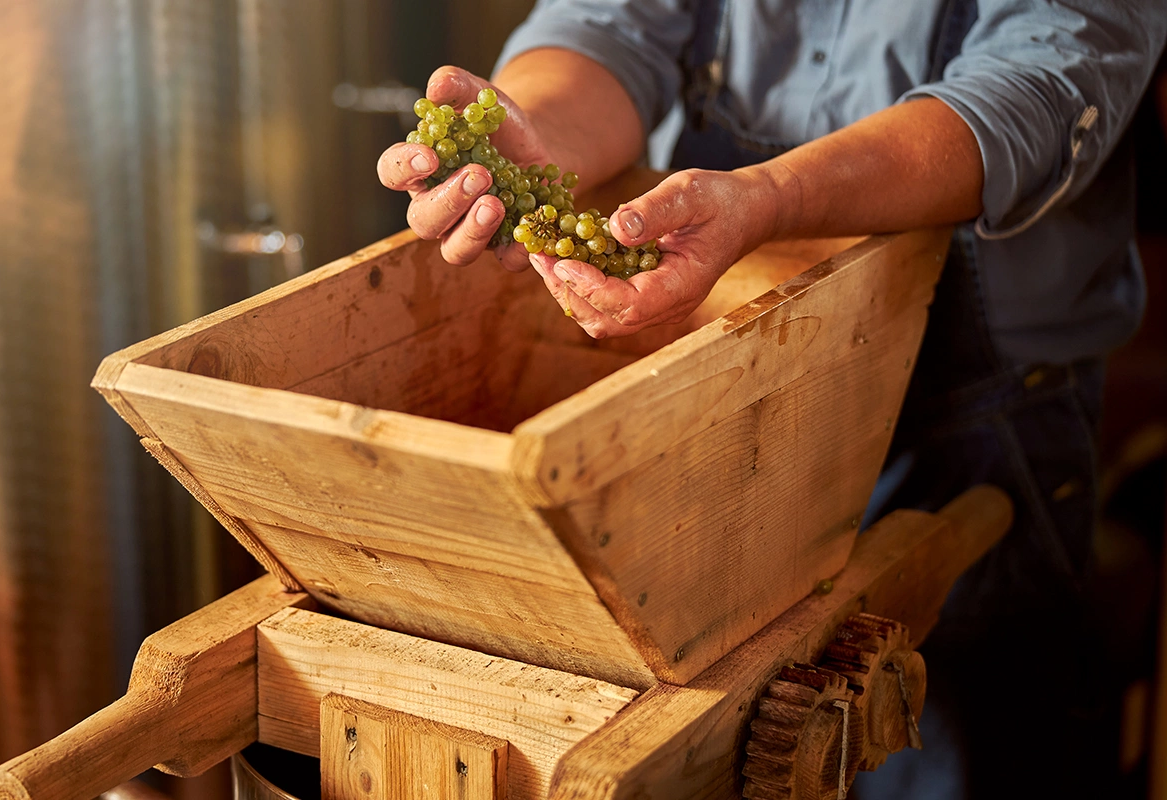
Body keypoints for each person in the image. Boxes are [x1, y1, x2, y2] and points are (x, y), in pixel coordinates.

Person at [378, 2, 1167, 797]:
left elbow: (1034, 90)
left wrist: (770, 198)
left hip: (974, 415)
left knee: (959, 749)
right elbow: (612, 27)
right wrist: (537, 137)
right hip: (731, 389)